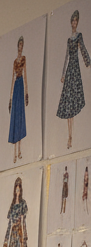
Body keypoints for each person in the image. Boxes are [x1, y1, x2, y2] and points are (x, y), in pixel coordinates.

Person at [57, 10, 91, 150]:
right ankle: (69, 135)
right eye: (73, 21)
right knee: (67, 104)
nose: (74, 23)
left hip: (76, 69)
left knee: (72, 102)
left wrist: (88, 61)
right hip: (70, 69)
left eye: (76, 21)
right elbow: (66, 56)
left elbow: (82, 48)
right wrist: (63, 73)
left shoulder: (78, 36)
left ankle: (71, 136)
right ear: (71, 22)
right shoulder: (69, 39)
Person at [7, 37, 28, 163]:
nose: (20, 47)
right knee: (15, 117)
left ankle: (19, 150)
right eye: (19, 45)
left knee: (20, 117)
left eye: (22, 45)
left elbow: (25, 75)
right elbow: (12, 79)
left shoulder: (24, 59)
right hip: (16, 87)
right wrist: (10, 98)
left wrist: (26, 92)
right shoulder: (15, 62)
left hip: (21, 86)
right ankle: (15, 152)